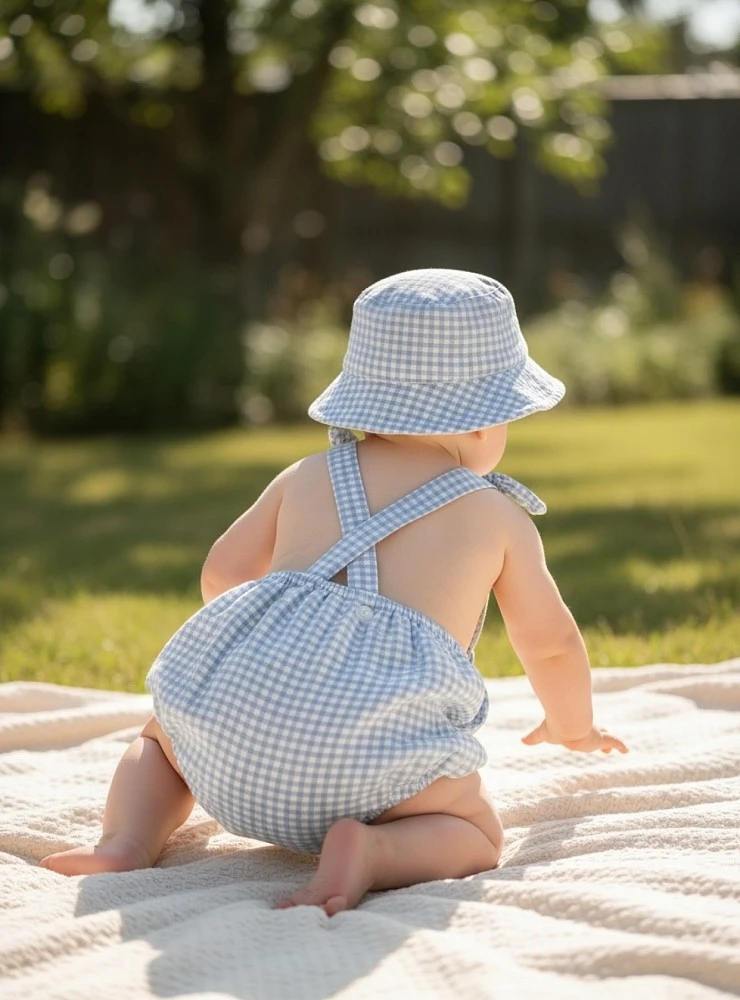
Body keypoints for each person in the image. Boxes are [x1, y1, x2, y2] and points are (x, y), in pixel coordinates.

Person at [40, 268, 628, 912]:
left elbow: (222, 575)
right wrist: (573, 725)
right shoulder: (496, 516)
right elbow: (550, 646)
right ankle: (373, 850)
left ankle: (126, 841)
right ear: (485, 425)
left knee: (159, 743)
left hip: (229, 757)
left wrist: (270, 662)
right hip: (373, 774)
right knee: (476, 831)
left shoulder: (307, 474)